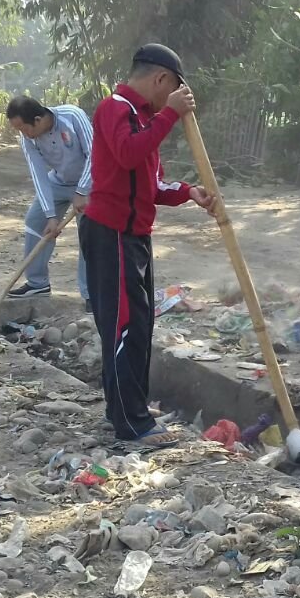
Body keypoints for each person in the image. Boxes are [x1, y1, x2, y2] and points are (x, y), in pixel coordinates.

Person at [81, 44, 215, 450]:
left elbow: (152, 184)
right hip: (112, 235)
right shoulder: (116, 107)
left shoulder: (144, 119)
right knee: (123, 327)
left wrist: (188, 191)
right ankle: (131, 423)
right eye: (171, 89)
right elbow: (126, 153)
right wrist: (172, 113)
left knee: (140, 326)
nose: (168, 100)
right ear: (160, 79)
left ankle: (127, 408)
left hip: (135, 237)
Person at [4, 95, 92, 307]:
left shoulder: (73, 116)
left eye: (24, 128)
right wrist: (50, 215)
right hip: (59, 181)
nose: (24, 134)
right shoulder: (28, 139)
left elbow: (95, 154)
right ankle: (38, 283)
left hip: (92, 183)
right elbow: (38, 175)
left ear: (38, 119)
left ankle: (91, 293)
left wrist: (83, 190)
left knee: (90, 235)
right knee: (36, 222)